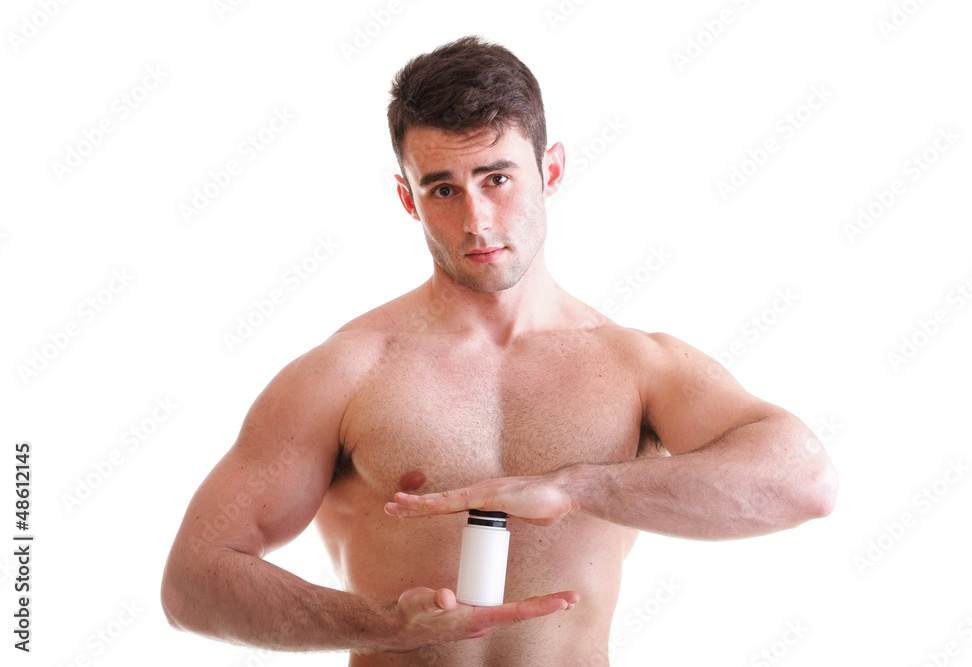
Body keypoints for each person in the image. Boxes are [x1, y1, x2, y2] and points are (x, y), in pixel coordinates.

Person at [160, 35, 838, 666]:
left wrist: (575, 485)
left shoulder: (634, 365)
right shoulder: (348, 370)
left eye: (497, 177)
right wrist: (383, 623)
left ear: (552, 168)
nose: (476, 219)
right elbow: (193, 581)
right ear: (407, 197)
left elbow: (803, 481)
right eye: (443, 188)